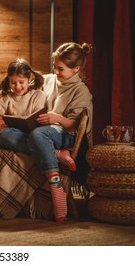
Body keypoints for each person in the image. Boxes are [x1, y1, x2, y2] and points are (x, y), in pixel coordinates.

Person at [27, 42, 94, 223]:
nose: (55, 72)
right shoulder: (48, 80)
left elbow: (74, 126)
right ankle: (58, 154)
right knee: (6, 135)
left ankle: (56, 187)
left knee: (38, 135)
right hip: (42, 128)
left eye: (61, 69)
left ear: (76, 69)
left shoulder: (81, 91)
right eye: (54, 67)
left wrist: (56, 118)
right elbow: (24, 88)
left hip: (65, 134)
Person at [0, 58, 45, 153]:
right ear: (9, 80)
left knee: (5, 135)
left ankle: (5, 141)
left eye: (21, 82)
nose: (17, 87)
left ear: (29, 78)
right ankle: (5, 142)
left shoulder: (38, 95)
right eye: (13, 83)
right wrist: (0, 121)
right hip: (3, 130)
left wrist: (8, 127)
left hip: (23, 134)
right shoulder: (7, 97)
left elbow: (36, 121)